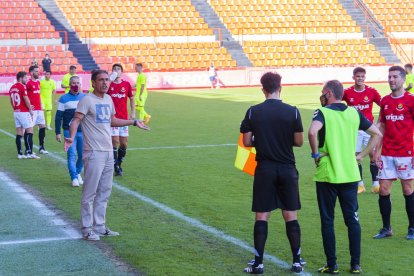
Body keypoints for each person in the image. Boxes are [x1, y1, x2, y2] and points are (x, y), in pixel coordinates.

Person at [65, 70, 150, 241]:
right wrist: (72, 137)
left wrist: (133, 122)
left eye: (106, 80)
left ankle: (100, 226)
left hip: (108, 151)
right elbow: (75, 120)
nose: (105, 83)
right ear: (93, 83)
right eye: (101, 80)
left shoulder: (108, 99)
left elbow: (112, 120)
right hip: (94, 152)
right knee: (90, 193)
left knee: (105, 191)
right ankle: (87, 229)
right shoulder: (87, 100)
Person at [308, 80, 382, 274]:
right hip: (350, 173)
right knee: (352, 220)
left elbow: (312, 132)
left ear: (329, 94)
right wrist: (362, 155)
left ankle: (332, 265)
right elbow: (376, 134)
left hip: (328, 174)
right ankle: (355, 264)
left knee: (327, 220)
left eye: (323, 93)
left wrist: (316, 154)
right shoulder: (354, 113)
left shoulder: (322, 112)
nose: (321, 96)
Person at [240, 72, 305, 274]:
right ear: (280, 87)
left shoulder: (253, 112)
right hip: (287, 169)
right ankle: (296, 261)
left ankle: (258, 263)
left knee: (262, 216)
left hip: (265, 169)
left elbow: (247, 142)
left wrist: (263, 141)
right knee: (290, 215)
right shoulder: (292, 111)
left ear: (263, 89)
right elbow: (299, 142)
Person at [372, 65, 414, 241]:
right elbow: (381, 126)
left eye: (395, 77)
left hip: (406, 153)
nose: (391, 80)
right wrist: (376, 149)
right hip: (388, 153)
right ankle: (386, 228)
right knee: (383, 190)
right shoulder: (385, 101)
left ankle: (412, 228)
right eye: (389, 77)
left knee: (408, 189)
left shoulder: (411, 101)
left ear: (404, 79)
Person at [342, 67, 382, 194]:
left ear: (365, 77)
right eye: (358, 76)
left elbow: (384, 106)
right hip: (354, 129)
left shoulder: (372, 91)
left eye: (362, 76)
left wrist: (379, 122)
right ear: (353, 77)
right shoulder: (347, 92)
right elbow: (336, 102)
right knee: (356, 156)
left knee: (373, 155)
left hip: (369, 129)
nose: (360, 78)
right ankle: (360, 185)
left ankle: (376, 184)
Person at [55, 76, 86, 187]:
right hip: (68, 132)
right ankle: (74, 177)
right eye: (73, 83)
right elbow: (58, 116)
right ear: (69, 84)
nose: (76, 85)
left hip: (83, 132)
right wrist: (58, 132)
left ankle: (77, 173)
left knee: (83, 156)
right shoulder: (63, 98)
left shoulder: (84, 97)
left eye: (78, 82)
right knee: (72, 156)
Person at [108, 64, 135, 176]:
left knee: (124, 144)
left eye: (118, 69)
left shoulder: (126, 84)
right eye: (114, 69)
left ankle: (118, 162)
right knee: (115, 142)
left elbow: (132, 98)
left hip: (124, 119)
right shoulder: (109, 85)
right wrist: (109, 80)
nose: (116, 71)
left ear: (122, 72)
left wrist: (133, 112)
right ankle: (116, 167)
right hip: (113, 118)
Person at [8, 71, 38, 159]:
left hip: (16, 112)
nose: (27, 79)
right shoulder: (22, 86)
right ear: (20, 78)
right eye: (25, 78)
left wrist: (16, 108)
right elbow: (26, 98)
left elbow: (11, 101)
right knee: (30, 131)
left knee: (19, 133)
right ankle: (29, 152)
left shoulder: (12, 87)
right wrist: (30, 109)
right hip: (24, 112)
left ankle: (20, 154)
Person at [26, 65, 48, 155]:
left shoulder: (38, 82)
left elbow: (37, 95)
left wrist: (41, 105)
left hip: (39, 109)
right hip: (32, 110)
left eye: (38, 71)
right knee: (29, 129)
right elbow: (24, 96)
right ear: (31, 73)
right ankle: (28, 149)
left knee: (42, 126)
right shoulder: (28, 83)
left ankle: (41, 147)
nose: (38, 73)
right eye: (36, 71)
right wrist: (29, 106)